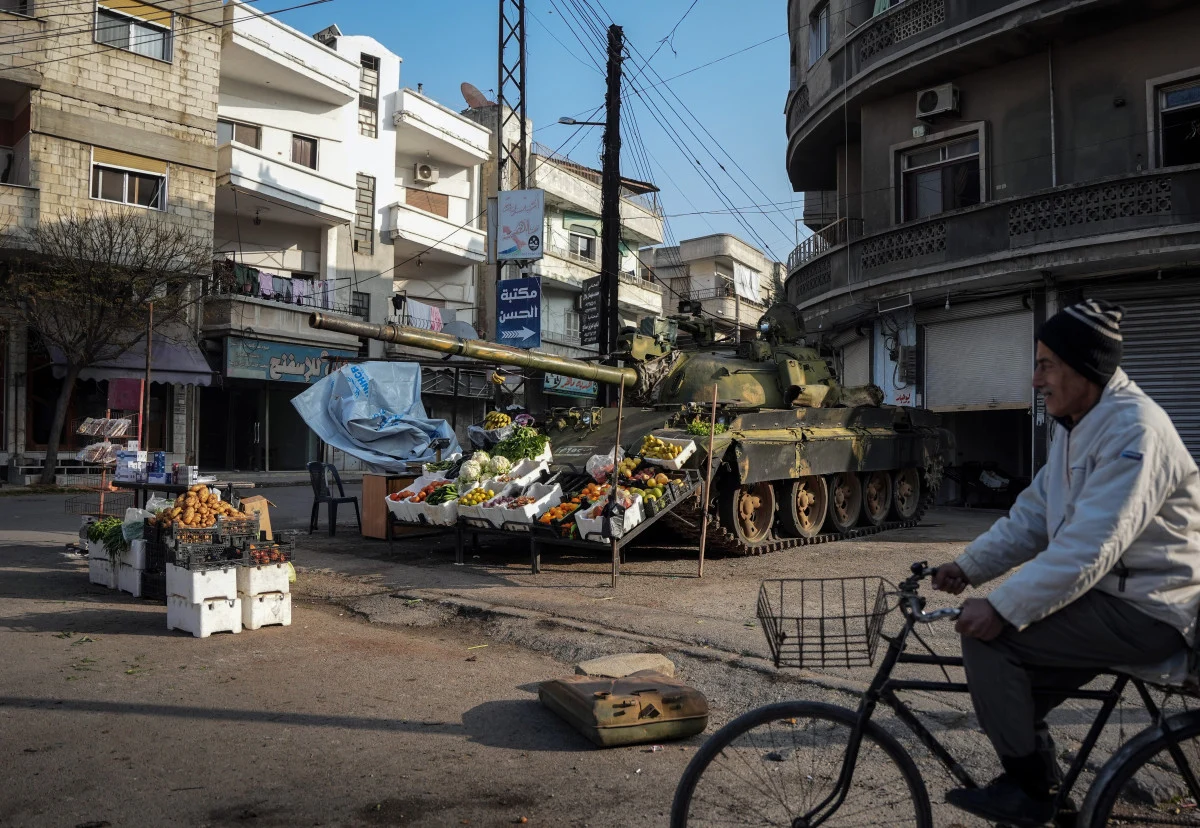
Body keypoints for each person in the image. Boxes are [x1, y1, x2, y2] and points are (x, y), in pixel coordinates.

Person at [932, 298, 1200, 826]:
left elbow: (1089, 547)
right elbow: (1035, 512)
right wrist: (968, 565)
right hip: (1115, 597)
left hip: (1151, 607)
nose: (1036, 380)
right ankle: (1050, 793)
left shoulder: (1134, 430)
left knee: (991, 639)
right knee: (1012, 687)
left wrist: (1003, 607)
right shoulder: (1077, 423)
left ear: (1086, 368)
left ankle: (1031, 792)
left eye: (1046, 365)